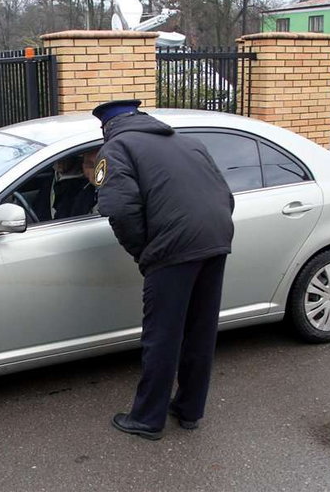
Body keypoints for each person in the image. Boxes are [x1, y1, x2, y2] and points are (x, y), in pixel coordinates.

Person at [92, 99, 235, 440]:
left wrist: (145, 253)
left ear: (106, 127)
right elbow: (226, 196)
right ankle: (189, 410)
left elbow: (118, 209)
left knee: (163, 335)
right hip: (216, 239)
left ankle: (147, 418)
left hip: (173, 247)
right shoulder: (189, 143)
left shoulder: (114, 149)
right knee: (200, 331)